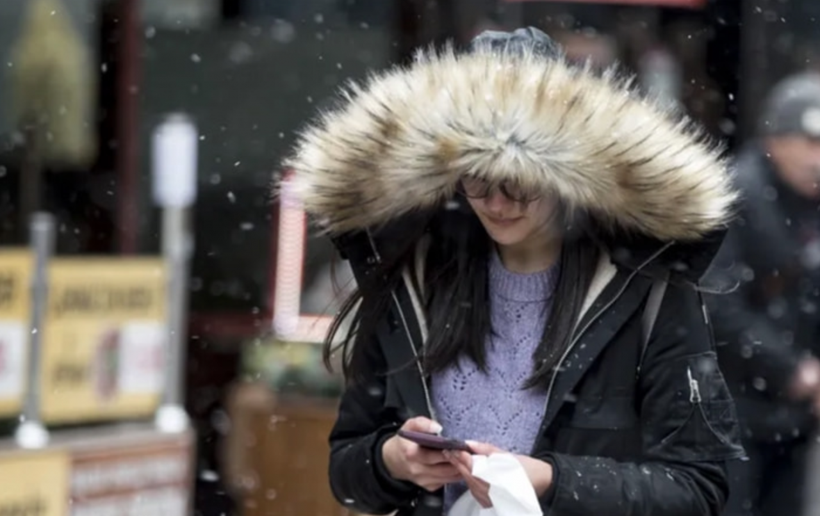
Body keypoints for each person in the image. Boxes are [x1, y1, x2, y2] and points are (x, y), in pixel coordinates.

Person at [283, 27, 745, 516]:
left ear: (566, 173)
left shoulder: (645, 287)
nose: (497, 203)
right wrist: (394, 461)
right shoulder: (411, 276)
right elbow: (347, 473)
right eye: (476, 179)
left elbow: (698, 489)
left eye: (519, 182)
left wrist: (550, 481)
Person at [703, 72, 820, 516]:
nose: (817, 158)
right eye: (808, 142)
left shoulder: (810, 200)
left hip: (792, 417)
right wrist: (795, 370)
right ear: (776, 139)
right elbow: (718, 304)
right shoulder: (737, 192)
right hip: (735, 411)